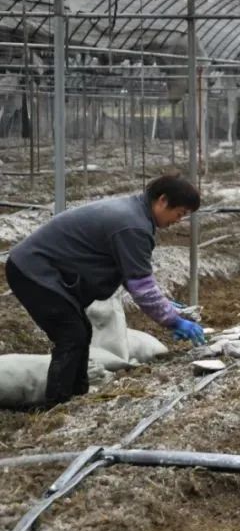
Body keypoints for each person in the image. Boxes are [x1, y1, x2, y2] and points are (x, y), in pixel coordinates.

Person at [5, 174, 207, 407]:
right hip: (33, 271)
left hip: (43, 270)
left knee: (80, 332)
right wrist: (173, 321)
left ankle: (76, 396)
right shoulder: (133, 225)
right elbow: (142, 289)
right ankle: (57, 404)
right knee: (71, 335)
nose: (178, 220)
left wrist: (167, 306)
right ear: (162, 200)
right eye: (179, 213)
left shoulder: (134, 214)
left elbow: (132, 277)